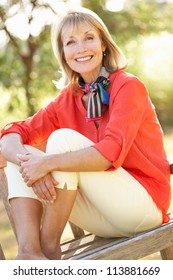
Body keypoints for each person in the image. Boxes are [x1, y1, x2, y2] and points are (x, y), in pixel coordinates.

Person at [0, 7, 171, 260]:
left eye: (89, 38)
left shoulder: (127, 86)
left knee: (60, 141)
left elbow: (109, 153)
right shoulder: (66, 99)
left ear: (103, 44)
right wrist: (32, 165)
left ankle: (49, 249)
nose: (81, 47)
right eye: (70, 42)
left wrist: (45, 163)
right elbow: (13, 132)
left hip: (142, 208)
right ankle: (29, 252)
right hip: (102, 217)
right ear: (64, 54)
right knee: (20, 155)